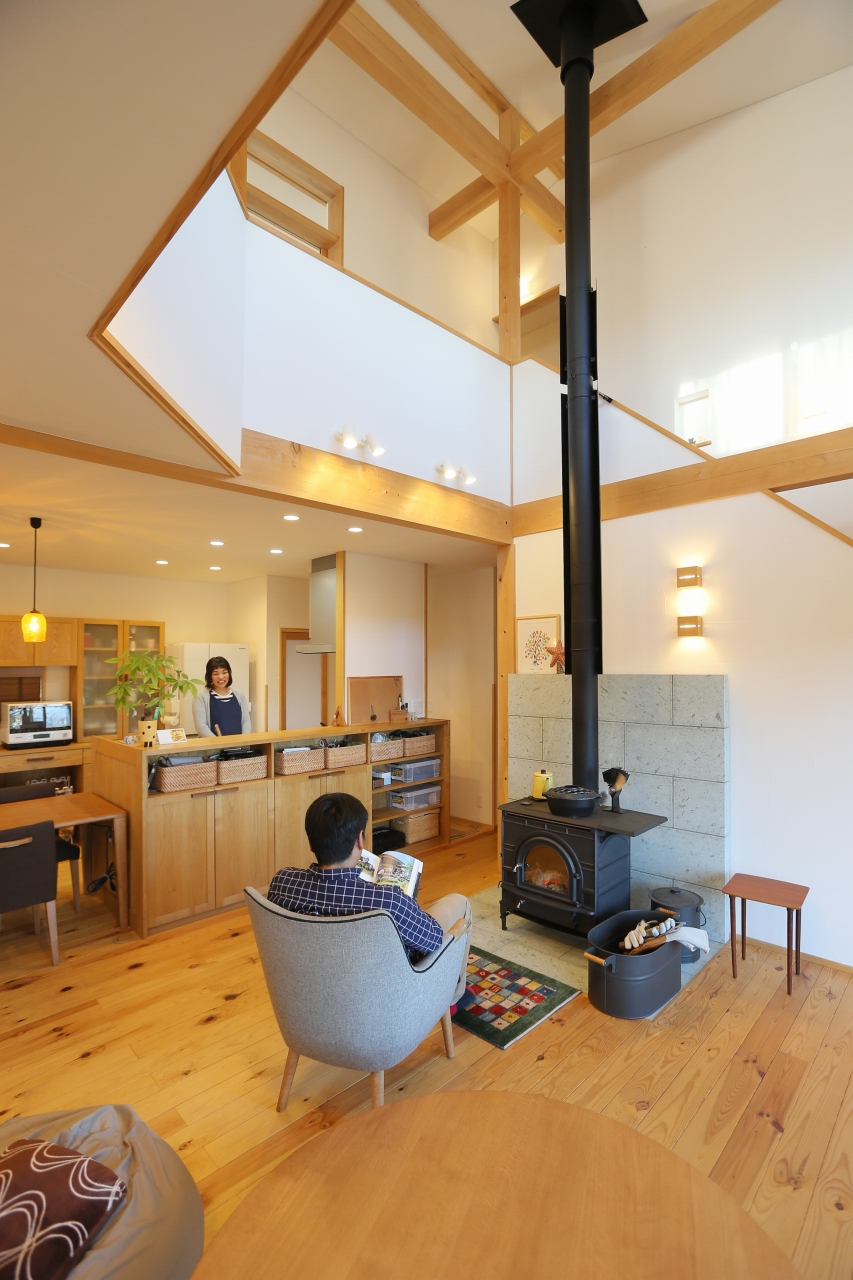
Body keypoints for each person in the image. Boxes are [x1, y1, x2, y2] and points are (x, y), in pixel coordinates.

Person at [268, 792, 472, 1000]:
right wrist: (408, 905)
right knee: (460, 903)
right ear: (360, 840)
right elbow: (434, 940)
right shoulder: (389, 902)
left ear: (311, 843)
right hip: (385, 998)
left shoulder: (282, 883)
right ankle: (452, 995)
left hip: (309, 993)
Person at [193, 656, 251, 737]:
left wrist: (244, 740)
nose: (221, 677)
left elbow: (246, 721)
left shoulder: (239, 694)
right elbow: (201, 727)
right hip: (213, 744)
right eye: (216, 673)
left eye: (224, 672)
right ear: (209, 676)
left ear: (229, 673)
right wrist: (218, 742)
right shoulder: (201, 696)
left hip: (239, 743)